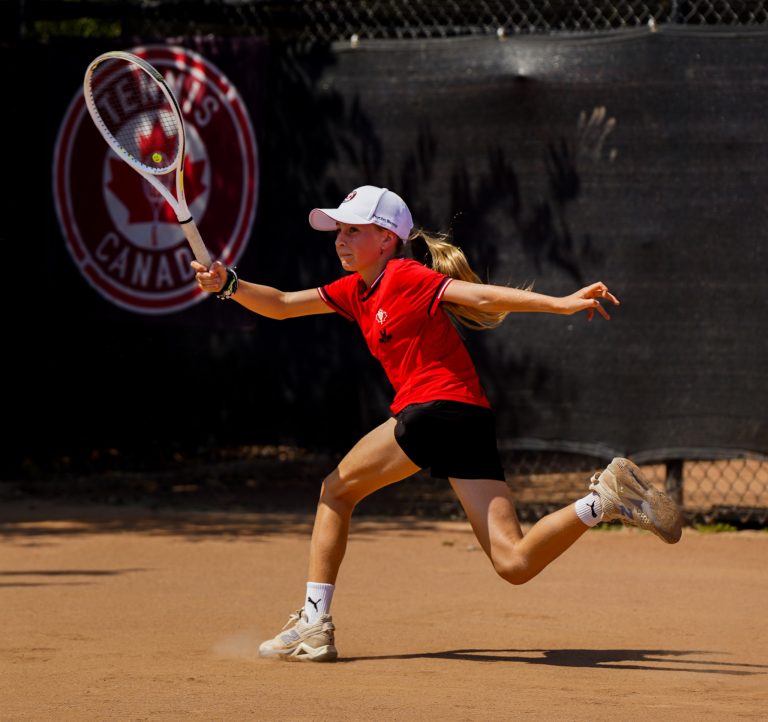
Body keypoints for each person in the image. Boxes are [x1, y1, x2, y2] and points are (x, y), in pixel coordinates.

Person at [192, 184, 683, 663]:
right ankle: (602, 501)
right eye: (337, 230)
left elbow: (481, 297)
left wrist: (558, 303)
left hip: (435, 408)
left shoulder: (404, 275)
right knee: (514, 563)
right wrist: (229, 285)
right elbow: (279, 305)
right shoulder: (353, 290)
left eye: (352, 230)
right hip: (468, 416)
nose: (340, 239)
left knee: (335, 492)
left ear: (386, 239)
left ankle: (314, 625)